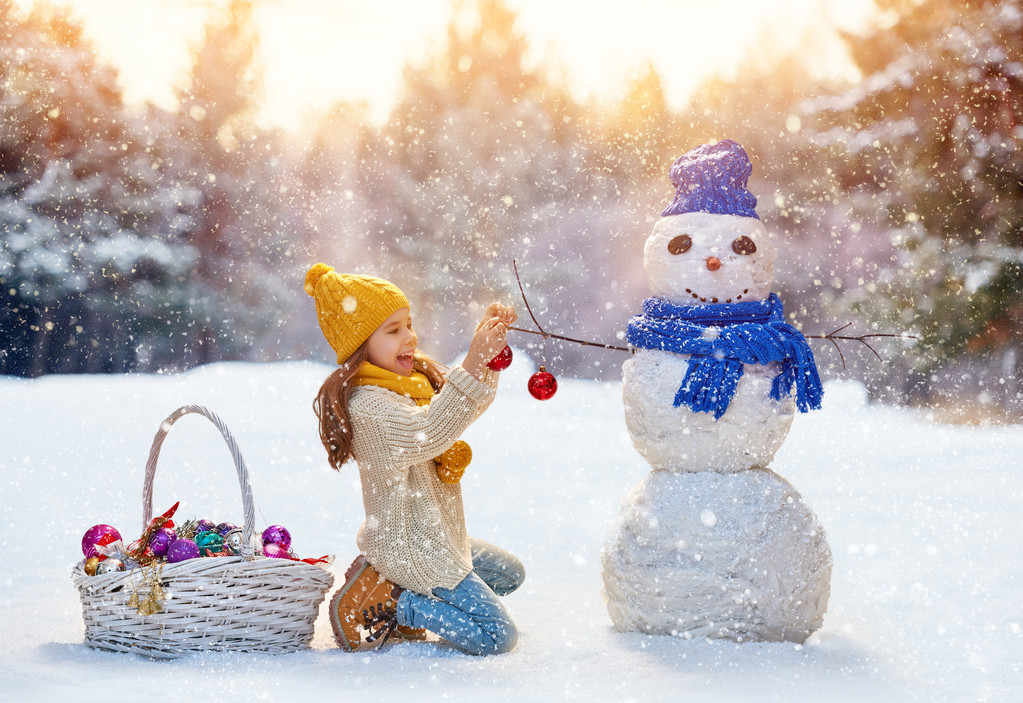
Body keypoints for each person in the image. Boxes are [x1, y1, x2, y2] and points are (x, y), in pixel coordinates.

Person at [304, 263, 525, 655]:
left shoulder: (408, 386)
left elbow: (460, 411)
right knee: (497, 637)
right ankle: (396, 604)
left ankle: (396, 586)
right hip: (409, 545)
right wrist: (472, 363)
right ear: (361, 347)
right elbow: (435, 428)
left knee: (509, 575)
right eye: (393, 330)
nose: (410, 337)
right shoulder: (369, 407)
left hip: (436, 533)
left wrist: (486, 357)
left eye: (408, 324)